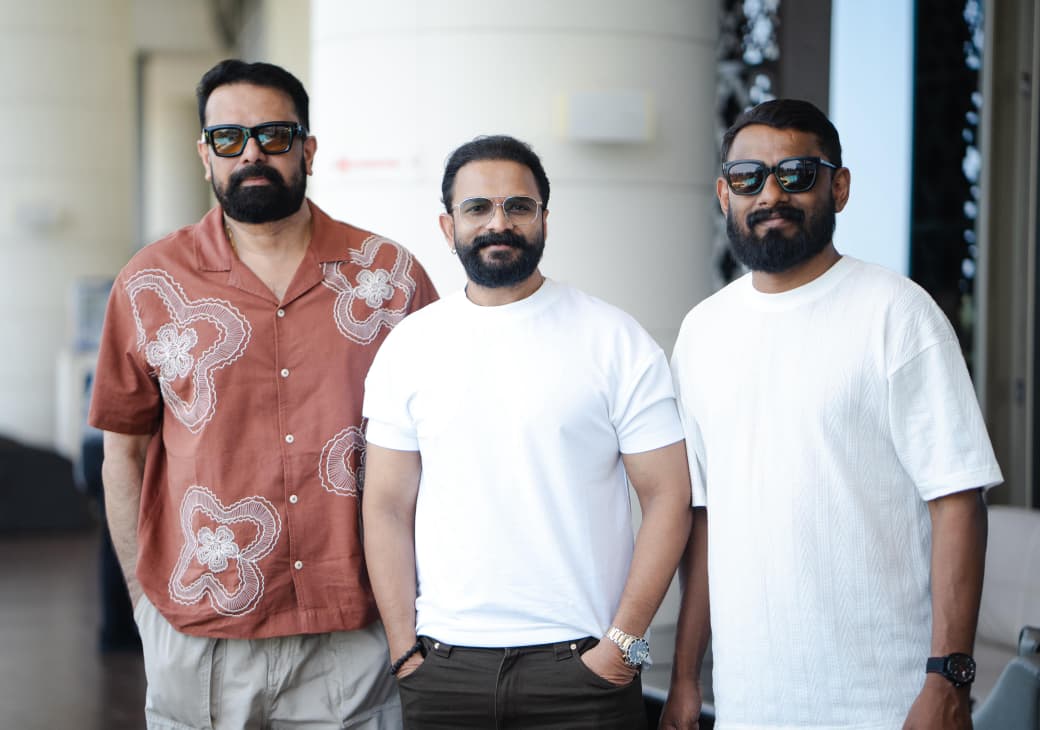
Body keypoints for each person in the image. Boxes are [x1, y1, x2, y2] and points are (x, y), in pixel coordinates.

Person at [88, 59, 438, 729]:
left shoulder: (389, 278)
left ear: (308, 149)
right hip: (201, 634)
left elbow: (440, 447)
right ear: (205, 156)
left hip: (356, 630)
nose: (251, 153)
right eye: (228, 138)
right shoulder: (148, 285)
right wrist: (142, 603)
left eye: (274, 135)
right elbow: (122, 454)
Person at [662, 98, 1003, 730]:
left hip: (886, 703)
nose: (771, 194)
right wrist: (684, 678)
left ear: (838, 187)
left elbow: (957, 499)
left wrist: (948, 678)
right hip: (748, 704)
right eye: (748, 178)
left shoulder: (898, 314)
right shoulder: (702, 332)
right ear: (724, 194)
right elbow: (705, 517)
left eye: (796, 174)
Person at [361, 134, 694, 729]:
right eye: (477, 208)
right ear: (447, 226)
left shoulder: (614, 339)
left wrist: (623, 647)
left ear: (544, 218)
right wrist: (404, 651)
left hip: (584, 670)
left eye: (518, 206)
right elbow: (386, 505)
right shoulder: (409, 346)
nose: (499, 223)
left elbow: (669, 495)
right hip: (444, 671)